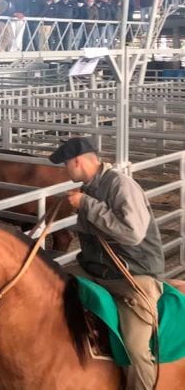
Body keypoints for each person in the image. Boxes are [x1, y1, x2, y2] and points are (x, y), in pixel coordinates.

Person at [51, 137, 163, 390]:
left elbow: (132, 233)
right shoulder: (89, 187)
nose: (64, 170)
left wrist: (87, 205)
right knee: (48, 279)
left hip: (133, 276)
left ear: (77, 161)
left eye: (65, 164)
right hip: (96, 269)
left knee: (135, 349)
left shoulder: (121, 186)